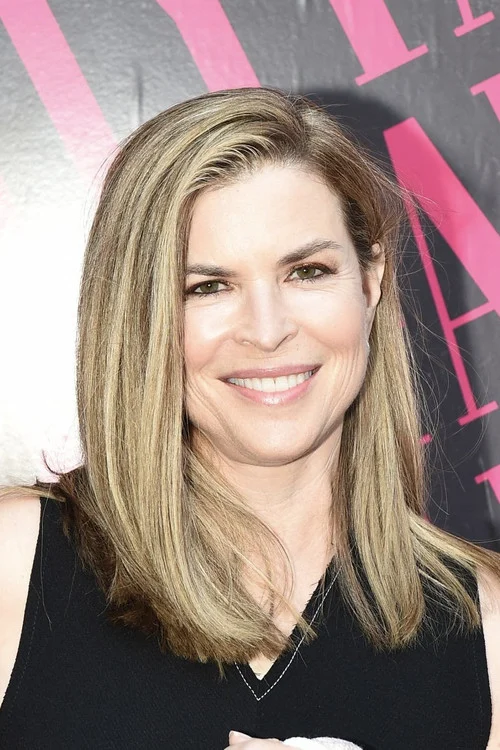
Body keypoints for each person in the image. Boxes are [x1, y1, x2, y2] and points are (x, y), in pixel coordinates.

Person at [0, 86, 499, 750]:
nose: (266, 331)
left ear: (370, 280)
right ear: (139, 314)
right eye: (207, 287)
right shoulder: (14, 563)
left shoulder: (486, 624)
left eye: (307, 271)